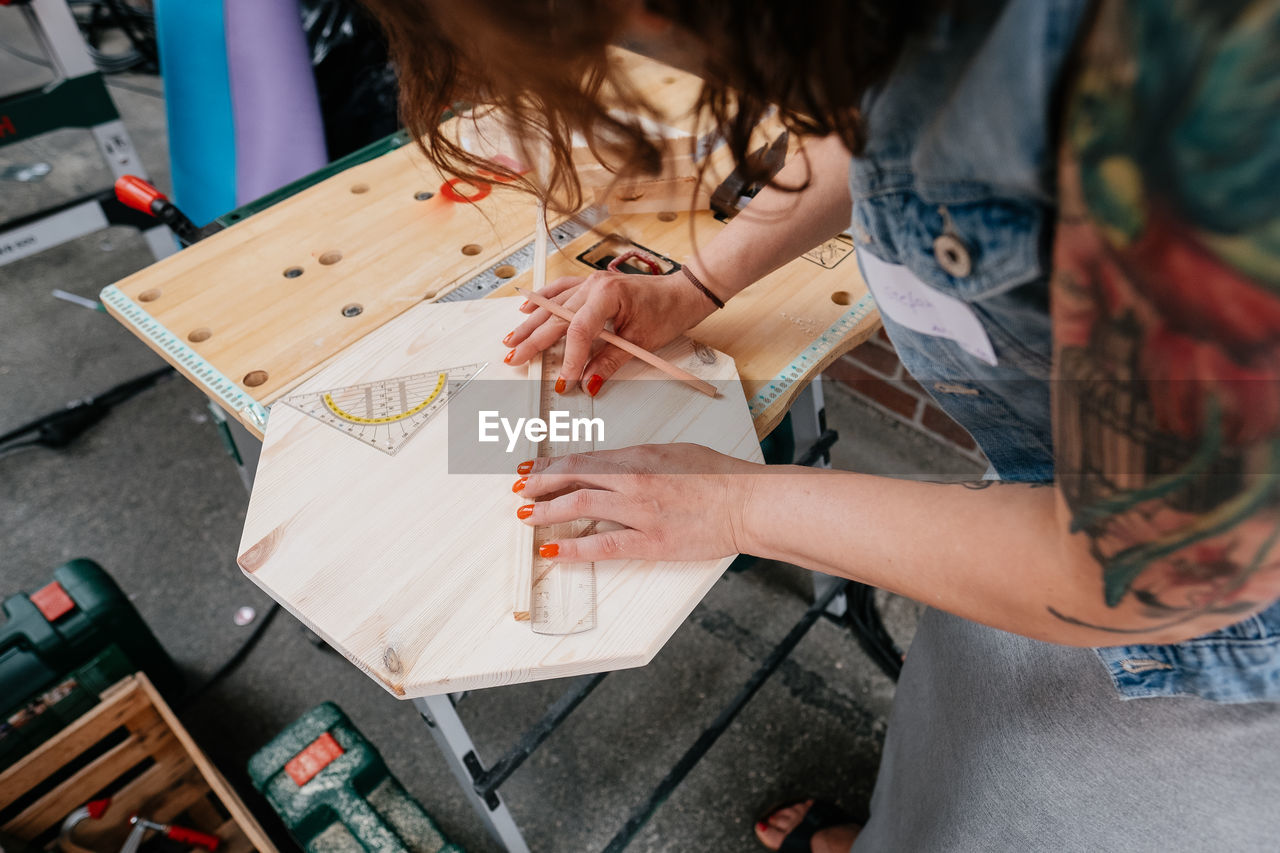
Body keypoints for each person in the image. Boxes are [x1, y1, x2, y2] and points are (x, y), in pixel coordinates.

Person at [360, 1, 1280, 849]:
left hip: (1223, 650)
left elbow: (1143, 574)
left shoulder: (1186, 91)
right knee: (950, 745)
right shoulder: (890, 29)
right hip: (1044, 510)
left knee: (1026, 815)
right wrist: (694, 286)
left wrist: (737, 505)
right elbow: (866, 115)